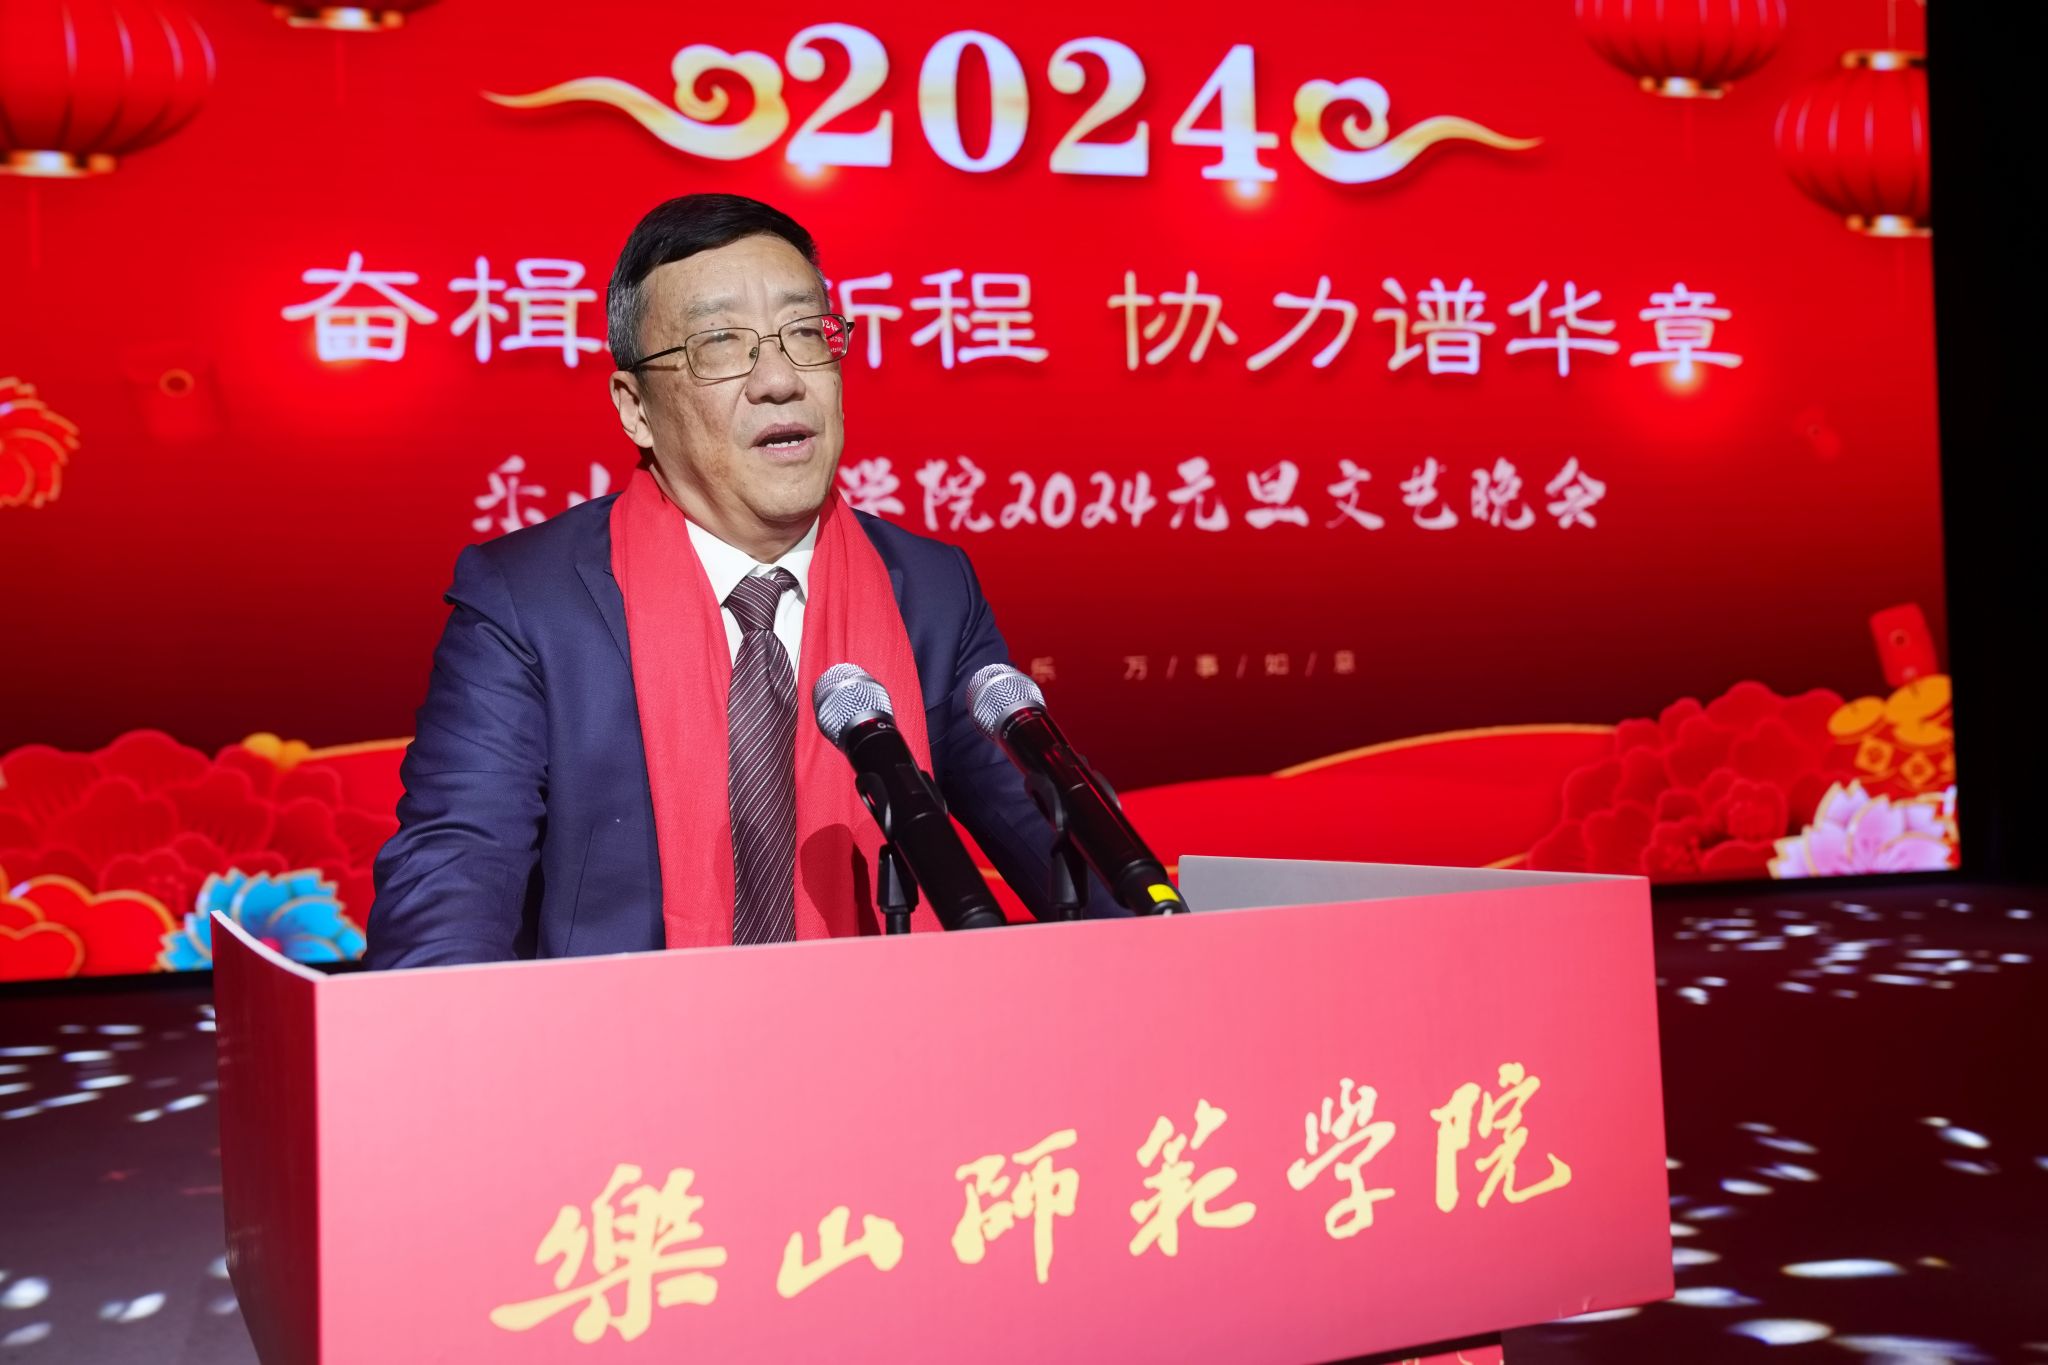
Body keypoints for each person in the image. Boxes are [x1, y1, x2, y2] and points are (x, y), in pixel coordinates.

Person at [366, 194, 1118, 968]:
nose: (781, 380)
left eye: (806, 333)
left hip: (894, 1035)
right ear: (635, 408)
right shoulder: (529, 602)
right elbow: (452, 883)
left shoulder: (929, 590)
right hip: (625, 1041)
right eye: (720, 343)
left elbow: (1062, 847)